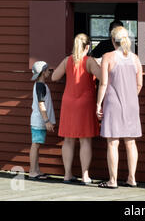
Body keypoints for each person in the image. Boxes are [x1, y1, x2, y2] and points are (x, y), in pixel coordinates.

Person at [96, 26, 143, 188]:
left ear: (112, 40)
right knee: (130, 142)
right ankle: (132, 178)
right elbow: (139, 84)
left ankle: (113, 180)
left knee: (113, 142)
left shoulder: (108, 57)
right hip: (131, 104)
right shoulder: (135, 58)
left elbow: (103, 83)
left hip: (113, 103)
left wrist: (98, 104)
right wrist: (130, 96)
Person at [52, 33, 101, 185]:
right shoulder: (90, 61)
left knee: (68, 139)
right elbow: (103, 77)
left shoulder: (67, 60)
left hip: (68, 102)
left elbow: (54, 77)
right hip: (85, 102)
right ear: (88, 47)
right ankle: (85, 176)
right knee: (85, 139)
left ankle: (67, 175)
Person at [29, 61, 56, 180]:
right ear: (42, 73)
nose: (49, 72)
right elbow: (41, 103)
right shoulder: (40, 85)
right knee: (35, 145)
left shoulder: (41, 85)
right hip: (39, 121)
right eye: (48, 70)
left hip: (39, 120)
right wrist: (46, 120)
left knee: (37, 145)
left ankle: (36, 170)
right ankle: (32, 172)